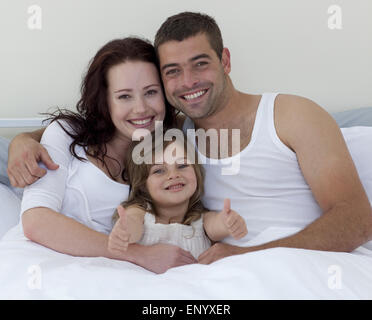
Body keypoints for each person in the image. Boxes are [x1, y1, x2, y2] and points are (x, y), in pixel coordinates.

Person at [7, 12, 372, 267]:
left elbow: (357, 220)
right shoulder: (169, 137)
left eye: (200, 63)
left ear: (225, 59)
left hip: (283, 265)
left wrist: (253, 254)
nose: (188, 82)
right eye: (173, 72)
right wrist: (21, 139)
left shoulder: (289, 115)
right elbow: (89, 130)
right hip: (205, 269)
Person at [5, 36, 210, 274]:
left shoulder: (176, 145)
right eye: (124, 96)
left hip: (110, 272)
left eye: (151, 92)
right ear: (105, 101)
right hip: (39, 260)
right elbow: (36, 221)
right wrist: (137, 255)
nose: (141, 108)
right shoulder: (66, 133)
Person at [108, 132, 248, 259]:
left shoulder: (199, 218)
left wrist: (228, 222)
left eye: (182, 166)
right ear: (143, 184)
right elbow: (133, 224)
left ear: (197, 172)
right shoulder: (141, 212)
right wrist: (125, 231)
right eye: (159, 171)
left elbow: (216, 226)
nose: (174, 175)